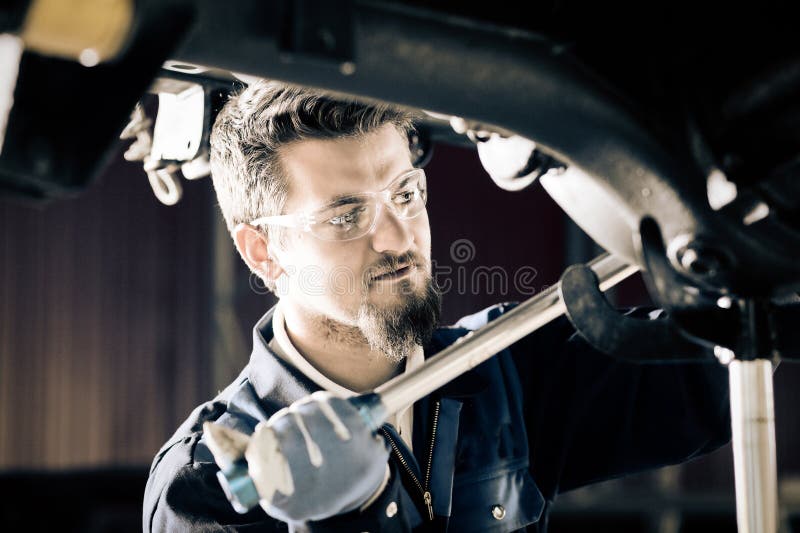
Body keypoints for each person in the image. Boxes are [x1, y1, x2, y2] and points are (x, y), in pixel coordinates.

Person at [142, 80, 731, 532]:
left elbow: (713, 380)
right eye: (346, 215)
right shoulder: (207, 485)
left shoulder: (503, 369)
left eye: (405, 193)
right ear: (263, 251)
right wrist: (358, 514)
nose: (399, 238)